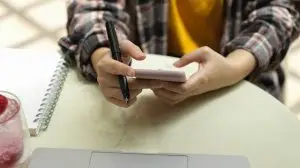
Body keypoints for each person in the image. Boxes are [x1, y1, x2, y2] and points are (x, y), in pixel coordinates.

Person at [58, 0, 300, 107]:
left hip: (244, 81)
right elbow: (91, 8)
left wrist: (234, 67)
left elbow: (279, 12)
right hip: (146, 96)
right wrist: (102, 56)